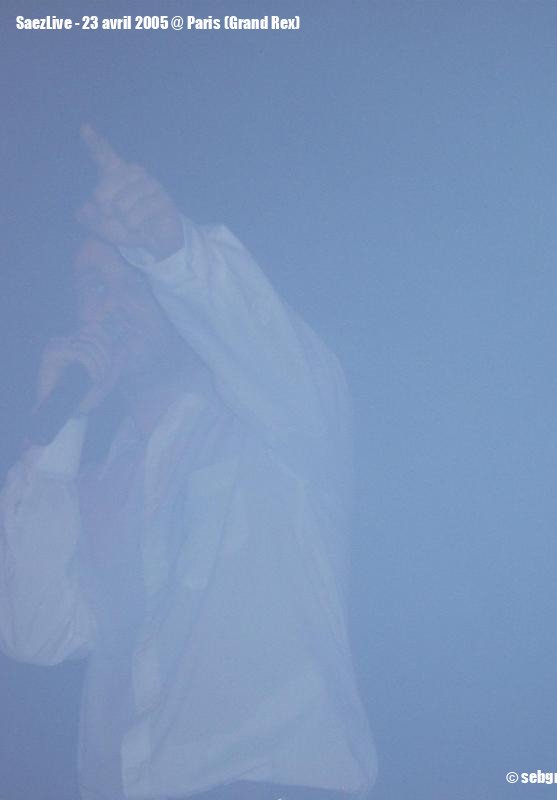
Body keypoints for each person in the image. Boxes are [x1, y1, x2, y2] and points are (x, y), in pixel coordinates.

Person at [0, 126, 378, 800]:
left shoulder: (277, 425)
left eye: (133, 280)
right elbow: (34, 631)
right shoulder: (100, 479)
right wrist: (54, 440)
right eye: (93, 285)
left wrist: (171, 246)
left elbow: (256, 332)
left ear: (172, 294)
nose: (111, 305)